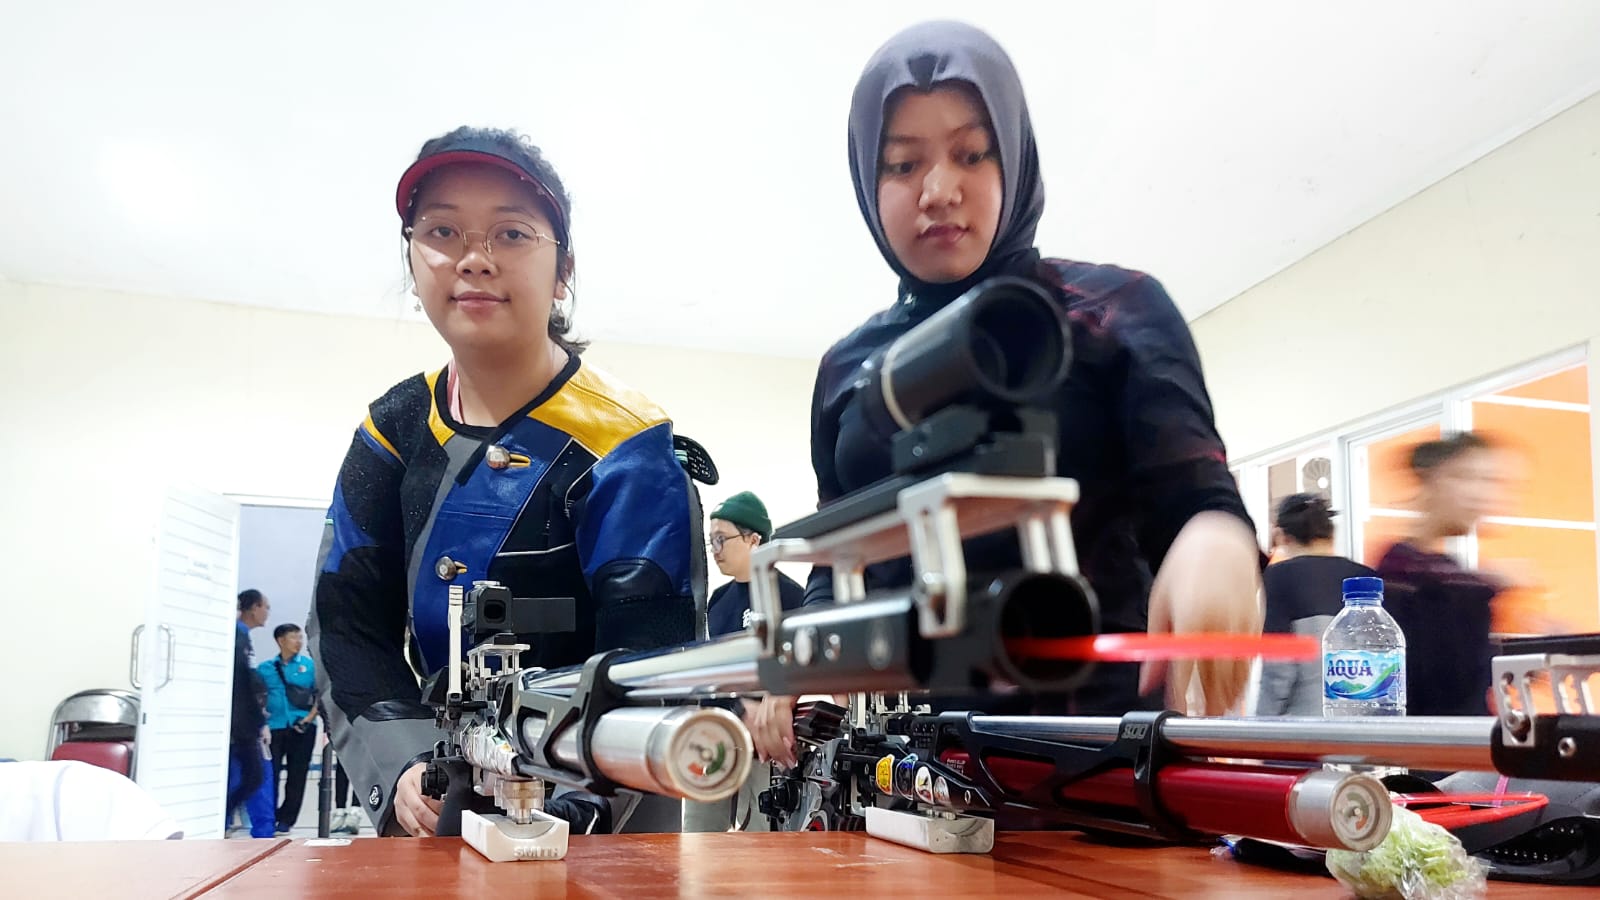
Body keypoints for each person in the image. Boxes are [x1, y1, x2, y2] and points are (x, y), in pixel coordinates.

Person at [747, 21, 1262, 765]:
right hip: (904, 768)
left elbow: (1194, 500)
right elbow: (838, 562)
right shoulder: (846, 370)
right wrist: (797, 656)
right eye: (903, 164)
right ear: (868, 180)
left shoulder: (1115, 312)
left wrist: (1215, 539)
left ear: (1012, 157)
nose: (939, 191)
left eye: (971, 153)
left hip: (1099, 759)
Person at [306, 127, 699, 839]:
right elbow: (346, 627)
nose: (474, 258)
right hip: (434, 801)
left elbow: (651, 663)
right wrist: (405, 767)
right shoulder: (392, 430)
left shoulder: (626, 444)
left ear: (563, 270)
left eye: (512, 233)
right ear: (412, 259)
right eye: (442, 231)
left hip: (608, 823)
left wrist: (562, 812)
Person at [1376, 432, 1507, 716]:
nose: (1480, 494)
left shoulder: (1448, 571)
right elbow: (1445, 678)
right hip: (1431, 737)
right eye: (1465, 477)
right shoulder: (1401, 573)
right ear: (1431, 480)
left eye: (1490, 482)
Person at [1256, 493, 1377, 716]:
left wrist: (1262, 721)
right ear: (1332, 534)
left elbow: (1279, 670)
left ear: (1281, 536)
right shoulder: (1367, 578)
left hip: (1305, 726)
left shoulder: (1280, 577)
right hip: (1361, 724)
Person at [706, 491, 805, 637]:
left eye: (721, 539)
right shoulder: (717, 599)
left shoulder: (791, 596)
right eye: (712, 541)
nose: (715, 550)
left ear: (753, 540)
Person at [258, 623, 318, 834]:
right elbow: (257, 697)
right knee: (270, 775)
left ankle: (286, 820)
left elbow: (320, 696)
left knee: (297, 776)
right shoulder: (265, 668)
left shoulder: (309, 666)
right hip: (274, 727)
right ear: (280, 640)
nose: (298, 642)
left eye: (300, 637)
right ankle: (269, 816)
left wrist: (308, 719)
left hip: (302, 727)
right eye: (294, 637)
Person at [227, 589, 275, 838]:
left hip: (244, 721)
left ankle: (225, 819)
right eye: (266, 607)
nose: (267, 612)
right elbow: (245, 683)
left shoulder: (243, 636)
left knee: (249, 776)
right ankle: (224, 816)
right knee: (253, 776)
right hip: (242, 723)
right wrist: (259, 721)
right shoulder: (237, 635)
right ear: (254, 607)